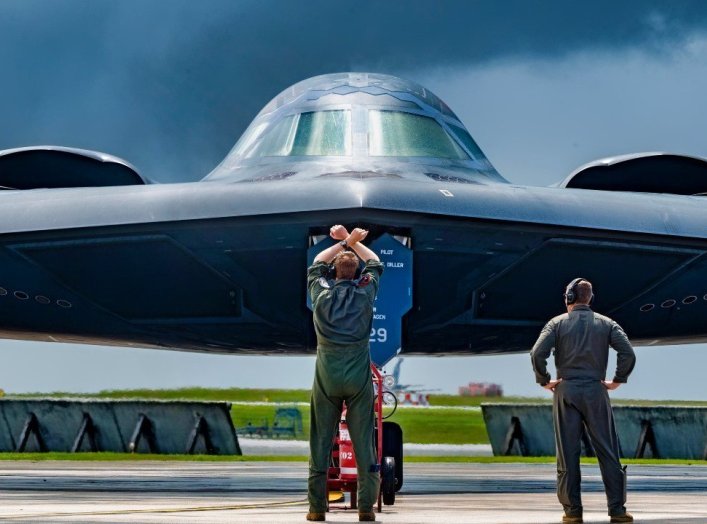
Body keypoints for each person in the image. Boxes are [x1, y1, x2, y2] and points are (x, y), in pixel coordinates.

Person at [530, 278, 636, 524]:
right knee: (608, 452)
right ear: (591, 298)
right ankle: (617, 511)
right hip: (596, 390)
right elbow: (627, 352)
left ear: (568, 297)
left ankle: (572, 512)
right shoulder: (607, 324)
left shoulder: (555, 324)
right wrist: (617, 380)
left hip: (565, 390)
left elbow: (537, 353)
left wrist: (544, 380)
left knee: (567, 453)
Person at [306, 225, 384, 522]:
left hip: (326, 373)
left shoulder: (320, 294)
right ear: (356, 273)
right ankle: (365, 508)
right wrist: (353, 241)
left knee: (320, 442)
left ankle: (316, 509)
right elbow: (376, 263)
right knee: (364, 443)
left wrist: (342, 242)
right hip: (357, 374)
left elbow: (316, 264)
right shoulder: (365, 294)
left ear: (334, 273)